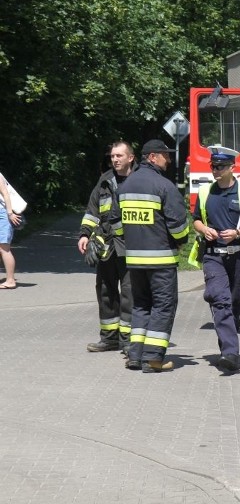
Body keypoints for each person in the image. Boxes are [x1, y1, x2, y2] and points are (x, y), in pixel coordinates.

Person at [115, 139, 190, 373]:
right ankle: (154, 359)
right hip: (161, 260)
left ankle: (135, 356)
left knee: (141, 306)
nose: (168, 160)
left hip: (134, 260)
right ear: (152, 157)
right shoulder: (164, 186)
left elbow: (116, 226)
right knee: (163, 306)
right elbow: (178, 227)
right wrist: (180, 242)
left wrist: (134, 239)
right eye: (165, 156)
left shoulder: (125, 187)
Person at [190, 146, 240, 372]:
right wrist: (204, 229)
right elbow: (195, 220)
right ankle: (230, 353)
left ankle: (230, 341)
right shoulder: (205, 193)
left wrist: (238, 233)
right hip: (213, 255)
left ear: (233, 167)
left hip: (239, 254)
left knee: (234, 300)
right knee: (219, 299)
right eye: (213, 166)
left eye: (220, 166)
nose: (215, 170)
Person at [78, 141, 138, 353]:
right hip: (106, 245)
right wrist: (85, 234)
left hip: (131, 246)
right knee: (105, 289)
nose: (115, 160)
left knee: (131, 292)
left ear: (130, 157)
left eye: (119, 156)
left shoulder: (139, 180)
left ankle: (129, 340)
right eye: (113, 156)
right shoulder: (105, 180)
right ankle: (109, 337)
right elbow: (92, 210)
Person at [0, 171, 22, 289]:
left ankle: (10, 280)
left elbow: (5, 194)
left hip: (3, 215)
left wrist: (10, 213)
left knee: (4, 249)